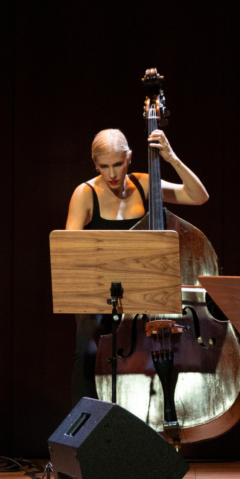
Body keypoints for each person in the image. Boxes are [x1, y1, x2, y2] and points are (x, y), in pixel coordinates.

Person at [63, 127, 209, 405]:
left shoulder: (144, 184)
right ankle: (82, 433)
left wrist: (171, 158)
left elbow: (198, 196)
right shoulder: (84, 193)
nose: (112, 174)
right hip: (98, 294)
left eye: (118, 164)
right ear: (95, 164)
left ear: (129, 157)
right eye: (104, 167)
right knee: (88, 353)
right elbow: (70, 254)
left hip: (142, 295)